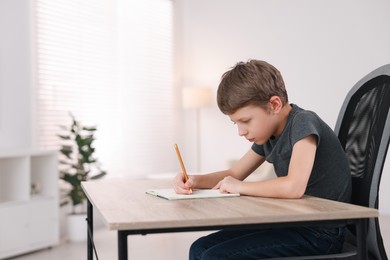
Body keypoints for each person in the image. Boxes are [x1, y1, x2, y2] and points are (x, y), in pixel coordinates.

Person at [172, 59, 352, 260]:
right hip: (293, 223)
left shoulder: (303, 122)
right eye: (235, 124)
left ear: (274, 105)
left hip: (320, 233)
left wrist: (240, 187)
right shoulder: (269, 134)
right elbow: (234, 173)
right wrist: (195, 181)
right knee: (198, 249)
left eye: (245, 121)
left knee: (214, 257)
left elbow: (294, 187)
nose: (241, 131)